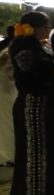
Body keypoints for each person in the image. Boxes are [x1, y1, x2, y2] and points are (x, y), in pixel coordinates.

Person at [6, 12, 54, 195]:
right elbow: (29, 74)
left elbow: (48, 64)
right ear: (31, 27)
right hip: (32, 105)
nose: (47, 29)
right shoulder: (23, 46)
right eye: (45, 25)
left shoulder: (39, 45)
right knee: (35, 154)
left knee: (45, 151)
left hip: (43, 104)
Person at [0, 26, 17, 165]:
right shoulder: (11, 51)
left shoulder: (5, 50)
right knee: (9, 122)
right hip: (9, 90)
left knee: (6, 123)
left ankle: (8, 153)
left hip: (6, 90)